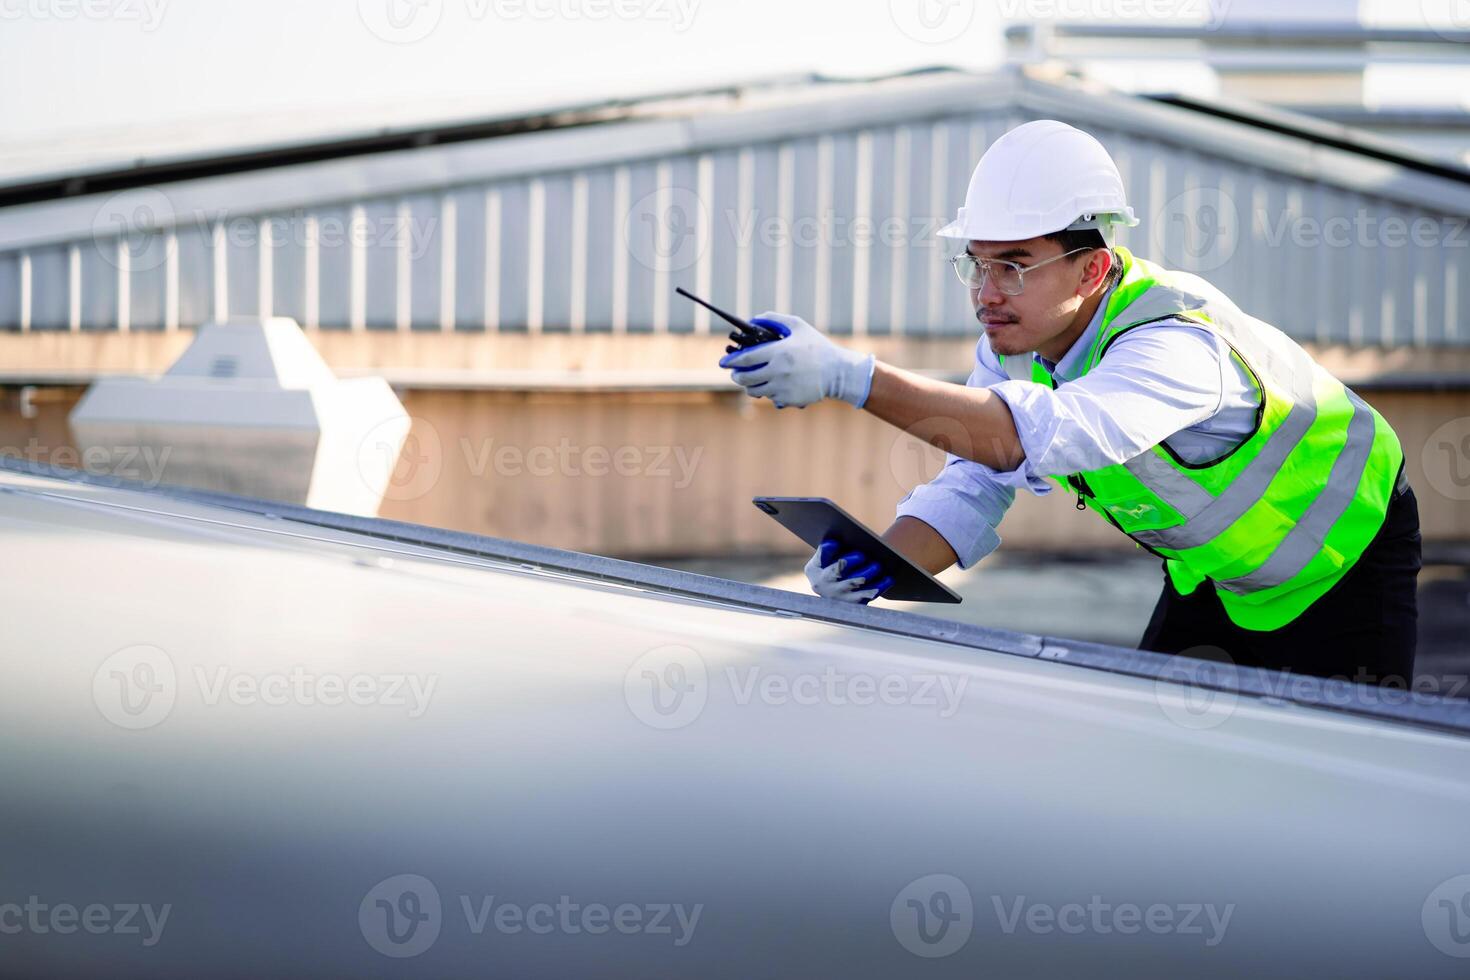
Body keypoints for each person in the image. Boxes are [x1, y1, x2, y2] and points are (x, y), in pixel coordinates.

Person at [718, 119, 1420, 685]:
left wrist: (852, 378)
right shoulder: (1018, 343)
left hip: (1345, 560)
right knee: (1165, 760)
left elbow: (1030, 437)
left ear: (1094, 268)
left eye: (1014, 266)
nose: (986, 292)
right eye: (978, 263)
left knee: (1349, 775)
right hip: (1218, 572)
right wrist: (870, 571)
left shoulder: (1174, 345)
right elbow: (976, 479)